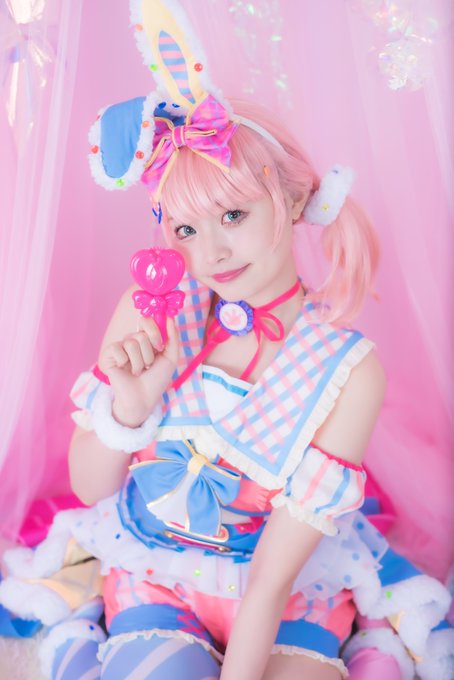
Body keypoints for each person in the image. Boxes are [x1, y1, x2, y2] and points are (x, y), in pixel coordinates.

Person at [0, 1, 452, 679]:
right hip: (158, 575)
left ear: (292, 201)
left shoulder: (349, 369)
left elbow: (272, 575)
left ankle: (364, 647)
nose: (209, 253)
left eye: (233, 215)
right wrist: (128, 408)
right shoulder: (152, 313)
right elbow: (92, 489)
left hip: (289, 591)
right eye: (185, 229)